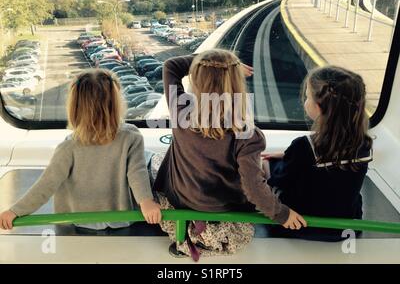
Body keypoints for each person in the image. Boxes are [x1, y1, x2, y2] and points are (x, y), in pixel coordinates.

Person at [153, 49, 306, 260]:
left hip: (182, 200)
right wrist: (282, 213)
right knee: (261, 170)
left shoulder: (180, 110)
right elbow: (253, 188)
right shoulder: (248, 134)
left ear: (195, 80)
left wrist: (212, 63)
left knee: (159, 160)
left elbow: (171, 65)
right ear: (237, 85)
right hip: (223, 208)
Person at [0, 69, 161, 231]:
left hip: (78, 219)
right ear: (116, 104)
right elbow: (137, 172)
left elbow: (46, 184)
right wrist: (146, 202)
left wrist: (15, 211)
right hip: (120, 219)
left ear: (75, 107)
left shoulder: (68, 146)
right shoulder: (131, 136)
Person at [263, 66, 373, 241]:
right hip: (345, 228)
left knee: (266, 164)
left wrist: (270, 165)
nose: (305, 100)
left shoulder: (304, 146)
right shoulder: (364, 143)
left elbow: (280, 180)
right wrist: (289, 155)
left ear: (320, 107)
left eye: (308, 96)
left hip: (301, 226)